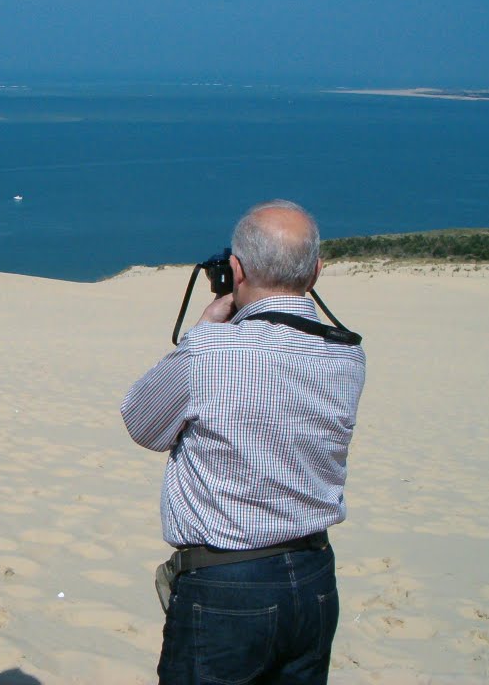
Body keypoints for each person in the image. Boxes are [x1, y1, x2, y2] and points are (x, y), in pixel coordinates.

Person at [121, 200, 366, 685]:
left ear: (235, 269)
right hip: (314, 577)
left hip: (226, 587)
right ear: (316, 270)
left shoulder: (210, 351)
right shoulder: (348, 354)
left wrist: (205, 328)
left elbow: (142, 424)